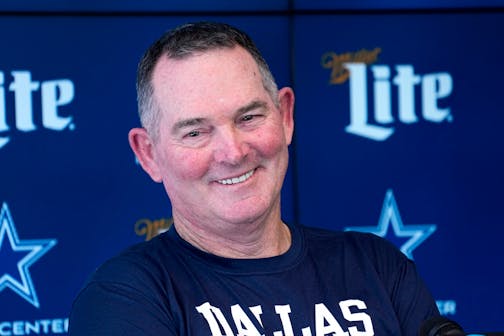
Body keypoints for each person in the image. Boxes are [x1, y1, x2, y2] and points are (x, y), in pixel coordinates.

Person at [68, 21, 440, 335]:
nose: (233, 152)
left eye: (249, 118)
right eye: (195, 132)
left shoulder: (378, 267)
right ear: (148, 154)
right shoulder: (124, 298)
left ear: (286, 116)